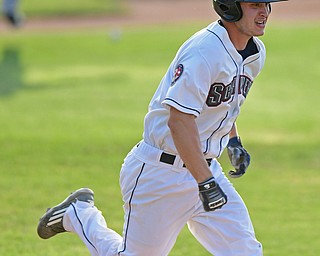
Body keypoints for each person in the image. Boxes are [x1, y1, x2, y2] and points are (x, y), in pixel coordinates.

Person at [37, 0, 287, 255]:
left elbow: (223, 104)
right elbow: (179, 121)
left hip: (205, 168)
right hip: (159, 175)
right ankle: (78, 213)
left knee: (246, 252)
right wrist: (206, 182)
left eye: (266, 4)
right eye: (255, 4)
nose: (264, 12)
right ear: (229, 7)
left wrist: (233, 141)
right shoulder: (204, 51)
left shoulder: (255, 53)